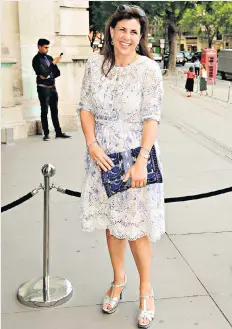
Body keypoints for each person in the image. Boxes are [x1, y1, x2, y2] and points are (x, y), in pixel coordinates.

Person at [78, 5, 164, 328]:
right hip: (101, 158)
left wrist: (142, 160)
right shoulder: (93, 65)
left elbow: (152, 117)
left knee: (136, 229)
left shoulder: (148, 70)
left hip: (134, 158)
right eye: (122, 29)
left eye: (134, 32)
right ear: (111, 32)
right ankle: (119, 279)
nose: (127, 37)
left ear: (140, 37)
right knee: (113, 226)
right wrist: (92, 143)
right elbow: (85, 107)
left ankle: (146, 289)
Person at [32, 39, 71, 141]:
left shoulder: (49, 58)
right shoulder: (36, 60)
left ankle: (58, 132)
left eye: (48, 47)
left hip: (53, 88)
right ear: (39, 47)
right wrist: (52, 65)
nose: (47, 49)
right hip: (43, 88)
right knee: (44, 111)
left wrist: (51, 67)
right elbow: (43, 74)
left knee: (55, 111)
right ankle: (46, 134)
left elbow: (57, 73)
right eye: (45, 47)